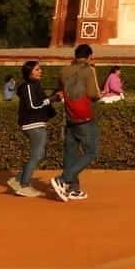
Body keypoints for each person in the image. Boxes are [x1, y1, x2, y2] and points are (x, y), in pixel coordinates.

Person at [49, 44, 100, 202]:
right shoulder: (89, 70)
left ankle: (74, 189)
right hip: (84, 117)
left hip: (70, 115)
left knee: (71, 152)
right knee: (91, 152)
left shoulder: (64, 71)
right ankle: (63, 179)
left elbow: (59, 90)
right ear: (90, 56)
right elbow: (94, 94)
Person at [9, 60, 54, 197]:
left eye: (40, 69)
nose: (40, 71)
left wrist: (53, 98)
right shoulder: (28, 86)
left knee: (38, 154)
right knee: (37, 155)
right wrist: (51, 99)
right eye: (37, 69)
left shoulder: (35, 85)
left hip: (37, 124)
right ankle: (24, 185)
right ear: (29, 72)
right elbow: (33, 105)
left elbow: (41, 103)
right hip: (32, 124)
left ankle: (18, 180)